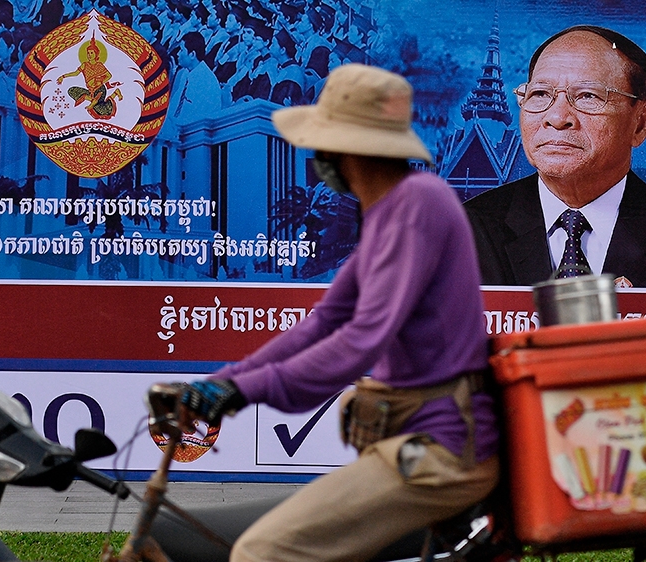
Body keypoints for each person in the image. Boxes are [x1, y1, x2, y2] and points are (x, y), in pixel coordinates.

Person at [175, 63, 500, 562]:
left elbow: (362, 337)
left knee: (262, 552)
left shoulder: (418, 203)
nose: (316, 155)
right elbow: (326, 320)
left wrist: (244, 390)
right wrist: (224, 381)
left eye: (322, 143)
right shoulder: (389, 211)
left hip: (443, 452)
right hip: (415, 440)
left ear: (345, 149)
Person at [464, 25, 646, 288]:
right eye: (539, 94)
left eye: (587, 96)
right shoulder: (462, 233)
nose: (557, 118)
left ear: (641, 123)